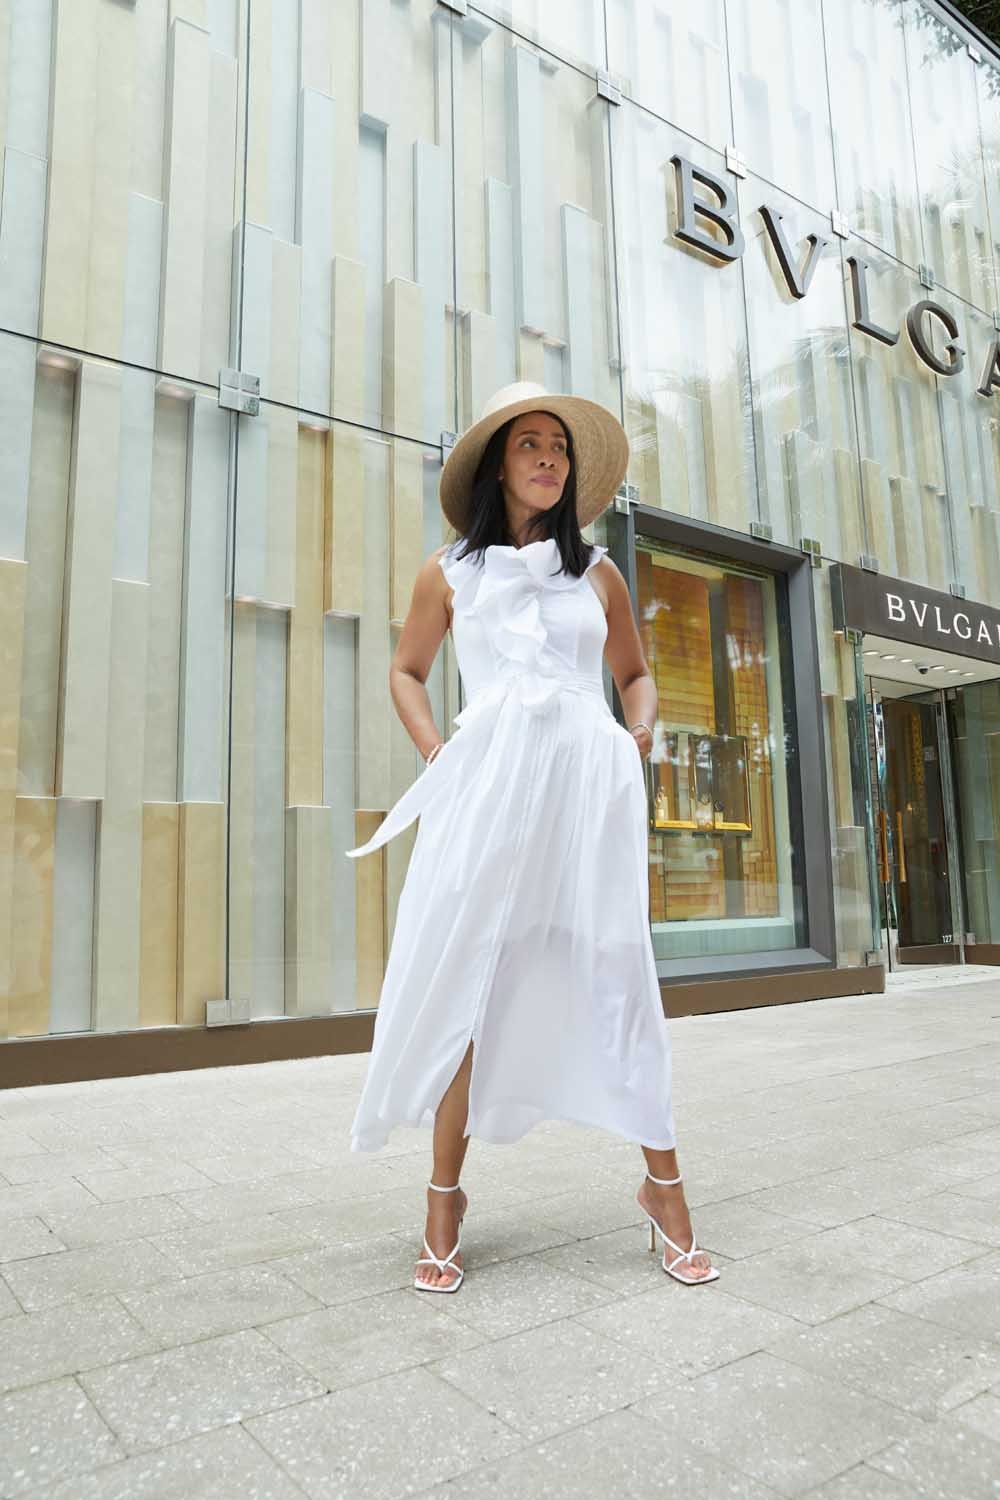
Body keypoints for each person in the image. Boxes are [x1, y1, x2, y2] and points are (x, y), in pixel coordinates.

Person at [344, 381, 718, 1293]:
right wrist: (438, 754)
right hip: (489, 788)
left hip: (585, 788)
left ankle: (663, 1192)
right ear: (497, 467)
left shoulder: (598, 575)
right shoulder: (449, 573)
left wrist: (638, 731)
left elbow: (634, 676)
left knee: (616, 969)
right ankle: (444, 1198)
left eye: (560, 447)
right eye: (531, 445)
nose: (550, 458)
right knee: (471, 979)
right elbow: (406, 671)